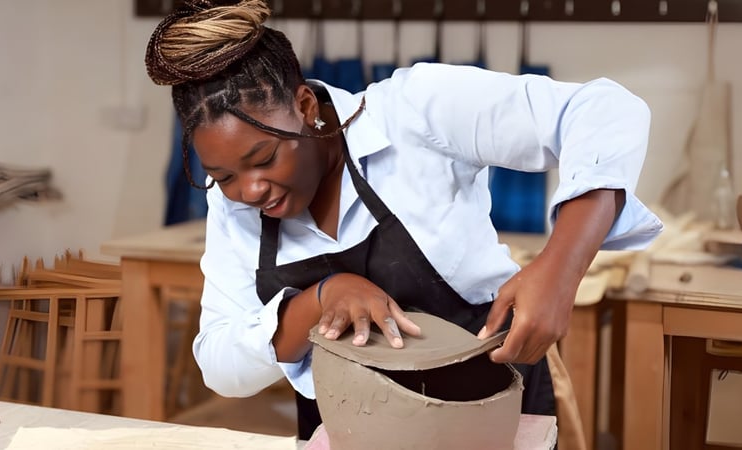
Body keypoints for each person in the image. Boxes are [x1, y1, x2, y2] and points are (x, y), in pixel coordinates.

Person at [145, 0, 663, 440]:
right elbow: (219, 366)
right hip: (347, 431)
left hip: (492, 415)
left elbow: (604, 110)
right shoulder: (235, 201)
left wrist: (560, 268)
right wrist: (319, 301)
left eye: (262, 160)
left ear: (304, 105)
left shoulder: (416, 112)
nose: (249, 190)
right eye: (222, 175)